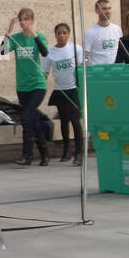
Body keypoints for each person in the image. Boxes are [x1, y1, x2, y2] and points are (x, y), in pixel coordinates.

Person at [0, 7, 50, 166]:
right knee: (33, 119)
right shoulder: (16, 38)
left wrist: (34, 34)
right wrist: (9, 31)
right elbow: (2, 51)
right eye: (21, 19)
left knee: (26, 117)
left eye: (26, 19)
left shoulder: (39, 37)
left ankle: (27, 156)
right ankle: (45, 154)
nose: (23, 22)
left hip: (37, 85)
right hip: (22, 87)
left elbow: (45, 53)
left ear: (32, 21)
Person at [43, 23, 83, 165]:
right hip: (60, 90)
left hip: (73, 89)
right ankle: (66, 149)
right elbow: (45, 72)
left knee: (75, 120)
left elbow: (82, 68)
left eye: (64, 33)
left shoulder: (76, 49)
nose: (62, 35)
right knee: (64, 120)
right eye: (59, 33)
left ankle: (79, 152)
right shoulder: (50, 52)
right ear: (55, 35)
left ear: (68, 34)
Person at [83, 0, 123, 66]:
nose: (107, 11)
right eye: (104, 9)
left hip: (116, 69)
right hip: (99, 71)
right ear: (96, 11)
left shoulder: (117, 29)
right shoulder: (90, 33)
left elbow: (122, 51)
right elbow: (85, 56)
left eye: (109, 8)